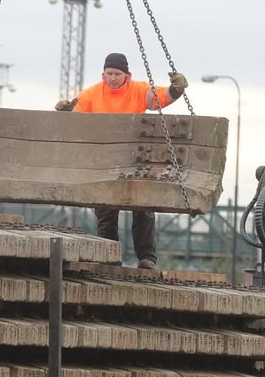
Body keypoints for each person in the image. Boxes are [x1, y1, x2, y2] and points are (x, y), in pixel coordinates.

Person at [56, 53, 188, 270]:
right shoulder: (92, 94)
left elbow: (159, 97)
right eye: (109, 74)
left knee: (143, 207)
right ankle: (109, 255)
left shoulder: (138, 89)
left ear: (127, 75)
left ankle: (146, 257)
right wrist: (67, 113)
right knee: (105, 211)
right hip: (105, 161)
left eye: (117, 74)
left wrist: (176, 89)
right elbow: (78, 117)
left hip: (135, 160)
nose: (113, 78)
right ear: (103, 74)